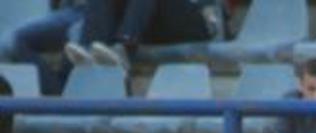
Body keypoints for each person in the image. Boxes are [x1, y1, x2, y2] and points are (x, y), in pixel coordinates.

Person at [63, 0, 220, 73]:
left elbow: (211, 15)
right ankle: (88, 50)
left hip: (193, 19)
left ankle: (124, 50)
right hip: (151, 19)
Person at [3, 1, 87, 95]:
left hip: (87, 12)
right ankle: (57, 94)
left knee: (16, 39)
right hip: (69, 9)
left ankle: (55, 96)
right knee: (10, 43)